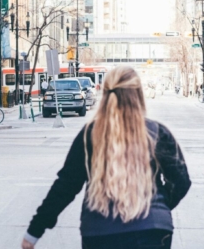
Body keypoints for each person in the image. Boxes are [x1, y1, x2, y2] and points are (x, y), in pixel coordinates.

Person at [23, 66, 191, 249]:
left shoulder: (90, 134)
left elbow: (66, 186)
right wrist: (159, 204)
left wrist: (34, 231)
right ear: (139, 94)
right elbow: (181, 180)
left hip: (100, 231)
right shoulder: (157, 132)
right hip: (153, 231)